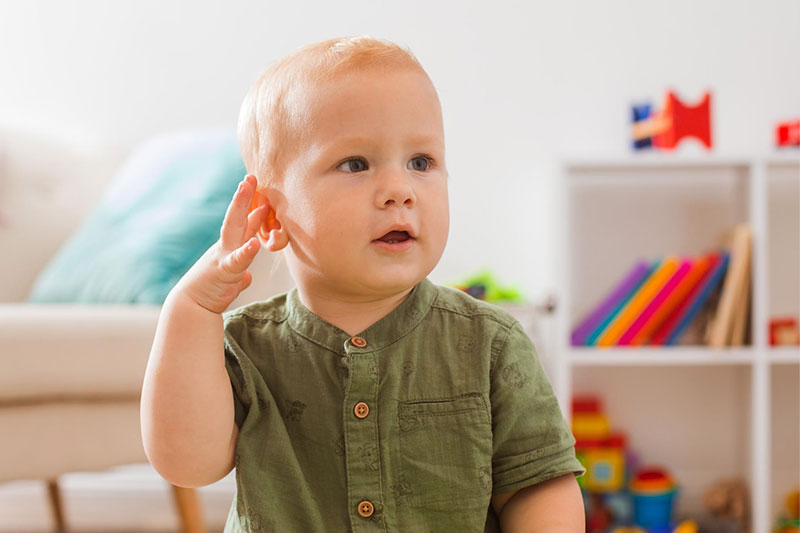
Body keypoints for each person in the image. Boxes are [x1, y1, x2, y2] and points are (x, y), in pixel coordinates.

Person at [141, 35, 586, 532]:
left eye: (421, 162)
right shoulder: (245, 348)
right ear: (269, 216)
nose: (400, 190)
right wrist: (189, 309)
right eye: (355, 164)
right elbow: (188, 464)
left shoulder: (490, 344)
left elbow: (538, 485)